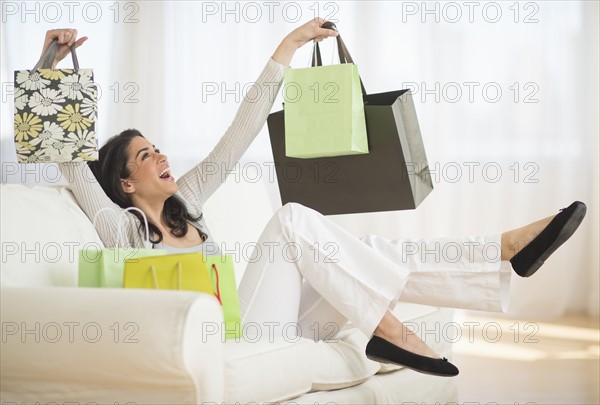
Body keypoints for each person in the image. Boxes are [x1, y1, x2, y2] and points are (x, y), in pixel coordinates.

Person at [40, 23, 586, 377]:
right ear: (125, 185)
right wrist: (48, 64)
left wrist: (287, 49)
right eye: (143, 156)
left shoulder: (192, 202)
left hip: (270, 321)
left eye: (157, 147)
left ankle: (505, 249)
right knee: (294, 220)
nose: (160, 156)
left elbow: (241, 131)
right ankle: (390, 329)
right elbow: (65, 154)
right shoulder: (121, 229)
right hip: (232, 334)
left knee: (368, 251)